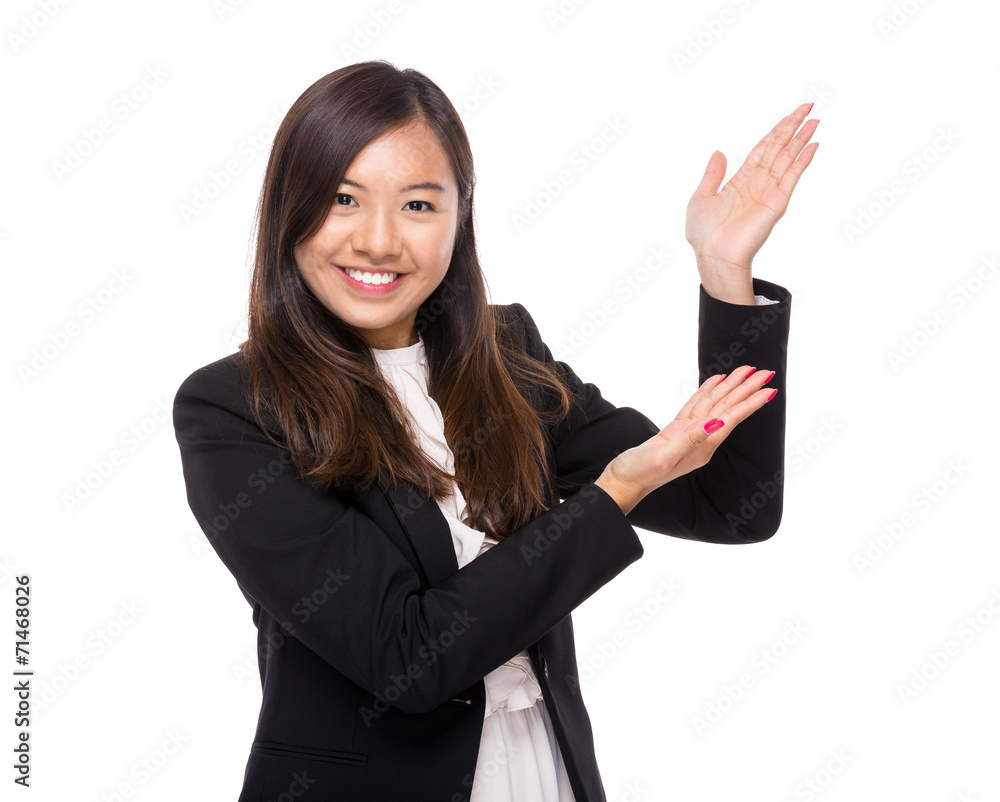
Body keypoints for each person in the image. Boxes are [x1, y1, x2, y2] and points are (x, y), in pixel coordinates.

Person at [172, 60, 817, 802]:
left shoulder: (506, 356)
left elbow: (733, 506)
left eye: (418, 205)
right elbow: (407, 659)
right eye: (344, 198)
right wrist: (617, 491)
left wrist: (723, 272)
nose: (378, 241)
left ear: (460, 217)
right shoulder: (235, 408)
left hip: (542, 774)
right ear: (291, 209)